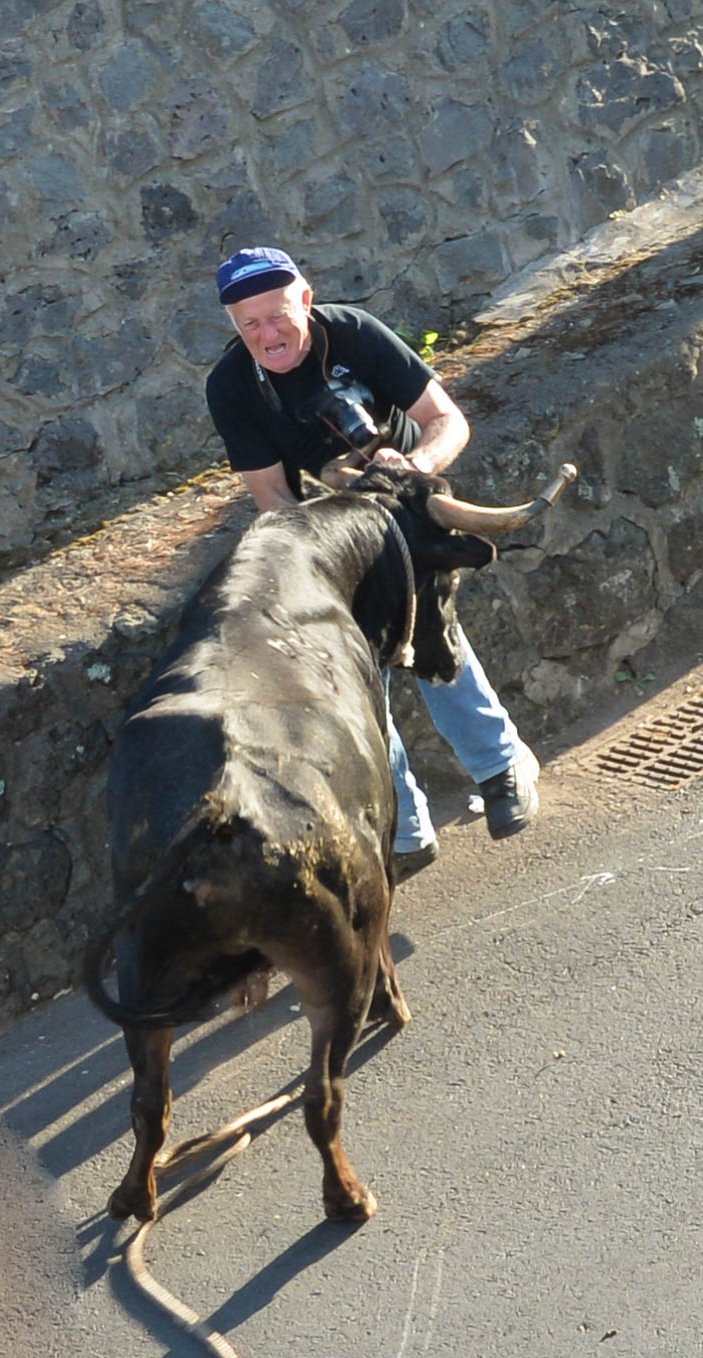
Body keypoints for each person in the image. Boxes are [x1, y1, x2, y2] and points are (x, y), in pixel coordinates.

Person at [206, 246, 539, 882]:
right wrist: (326, 557)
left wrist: (414, 467)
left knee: (431, 632)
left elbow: (446, 420)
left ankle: (503, 766)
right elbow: (272, 496)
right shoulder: (231, 386)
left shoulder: (353, 333)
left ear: (306, 300)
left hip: (415, 502)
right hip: (332, 522)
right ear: (234, 325)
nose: (267, 335)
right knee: (359, 671)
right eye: (250, 324)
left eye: (277, 315)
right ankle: (406, 828)